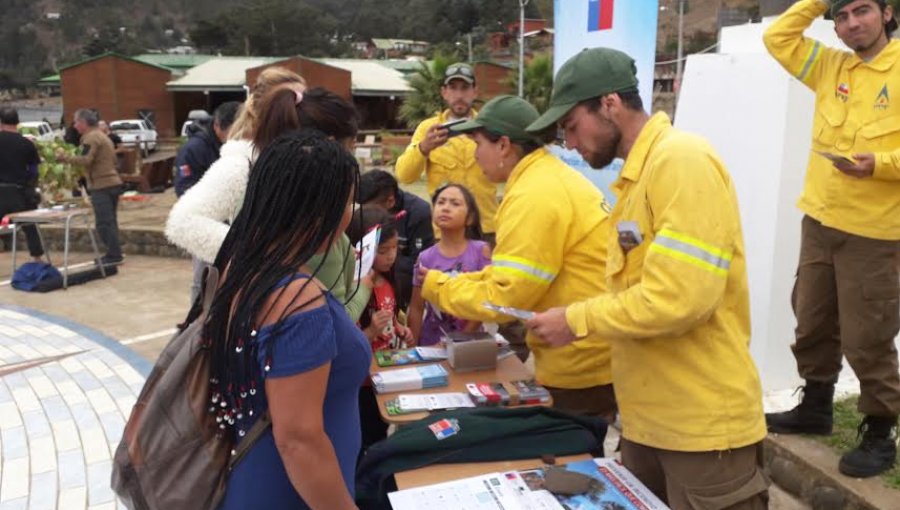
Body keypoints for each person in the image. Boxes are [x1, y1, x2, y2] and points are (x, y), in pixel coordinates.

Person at [524, 48, 768, 509]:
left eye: (572, 126)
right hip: (648, 426)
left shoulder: (681, 161)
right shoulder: (637, 179)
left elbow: (678, 298)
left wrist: (576, 320)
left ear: (610, 104)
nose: (569, 143)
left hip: (702, 434)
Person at [762, 0, 900, 478]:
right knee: (812, 320)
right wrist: (817, 2)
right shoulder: (828, 66)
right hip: (820, 222)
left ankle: (881, 433)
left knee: (869, 336)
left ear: (887, 13)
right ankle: (815, 407)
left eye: (861, 10)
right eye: (840, 17)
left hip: (876, 232)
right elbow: (777, 39)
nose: (851, 24)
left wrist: (878, 166)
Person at [419, 95, 615, 420]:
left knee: (569, 460)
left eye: (477, 142)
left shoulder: (533, 194)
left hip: (581, 361)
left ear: (504, 145)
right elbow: (510, 274)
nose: (473, 153)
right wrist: (457, 280)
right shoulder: (544, 178)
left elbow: (508, 294)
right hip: (588, 347)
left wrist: (440, 286)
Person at [210, 129, 367, 510]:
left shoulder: (241, 267)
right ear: (319, 211)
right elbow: (298, 440)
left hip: (257, 477)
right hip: (296, 492)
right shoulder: (299, 304)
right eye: (347, 201)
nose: (350, 213)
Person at [166, 72, 372, 320]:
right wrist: (261, 255)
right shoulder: (243, 165)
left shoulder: (302, 171)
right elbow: (183, 221)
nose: (302, 105)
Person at [394, 62, 499, 240]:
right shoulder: (428, 129)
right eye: (453, 88)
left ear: (475, 91)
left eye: (465, 88)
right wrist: (423, 148)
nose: (459, 95)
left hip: (487, 229)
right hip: (445, 232)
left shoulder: (491, 126)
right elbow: (404, 176)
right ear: (444, 92)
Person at [345, 204, 412, 452]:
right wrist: (371, 332)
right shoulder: (355, 289)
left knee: (381, 431)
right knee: (365, 437)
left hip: (385, 373)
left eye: (395, 248)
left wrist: (398, 328)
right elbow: (347, 345)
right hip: (362, 381)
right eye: (383, 250)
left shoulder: (389, 279)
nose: (391, 256)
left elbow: (391, 314)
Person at [174, 101, 241, 303]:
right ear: (218, 126)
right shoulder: (195, 149)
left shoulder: (237, 148)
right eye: (233, 130)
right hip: (205, 224)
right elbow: (184, 188)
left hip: (234, 226)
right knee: (203, 278)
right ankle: (196, 324)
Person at [408, 184, 491, 346]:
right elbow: (417, 307)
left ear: (470, 218)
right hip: (431, 344)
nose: (445, 208)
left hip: (469, 344)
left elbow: (486, 301)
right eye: (441, 202)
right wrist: (413, 349)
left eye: (455, 203)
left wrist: (459, 339)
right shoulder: (425, 257)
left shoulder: (481, 250)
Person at [359, 169, 434, 310]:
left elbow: (419, 261)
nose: (366, 214)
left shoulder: (418, 212)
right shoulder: (361, 211)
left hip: (401, 280)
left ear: (390, 201)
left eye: (370, 208)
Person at [57, 109, 124, 266]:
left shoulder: (90, 138)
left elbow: (85, 159)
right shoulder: (102, 136)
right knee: (110, 221)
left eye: (76, 122)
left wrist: (64, 158)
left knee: (103, 223)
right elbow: (112, 159)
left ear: (83, 123)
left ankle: (114, 255)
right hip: (112, 182)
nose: (74, 126)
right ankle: (115, 252)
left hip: (102, 185)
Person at [0, 107, 45, 262]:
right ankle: (37, 258)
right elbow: (33, 171)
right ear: (18, 122)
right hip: (20, 192)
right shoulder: (27, 144)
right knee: (29, 226)